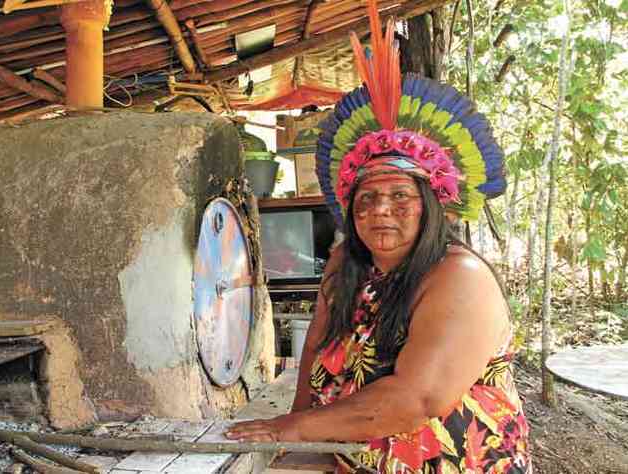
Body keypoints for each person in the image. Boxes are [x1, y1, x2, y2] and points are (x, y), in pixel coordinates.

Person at [224, 1, 531, 472]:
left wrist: (294, 430)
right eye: (365, 198)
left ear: (429, 205)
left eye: (399, 196)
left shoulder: (458, 276)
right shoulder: (348, 259)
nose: (380, 210)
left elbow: (419, 397)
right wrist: (299, 425)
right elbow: (317, 343)